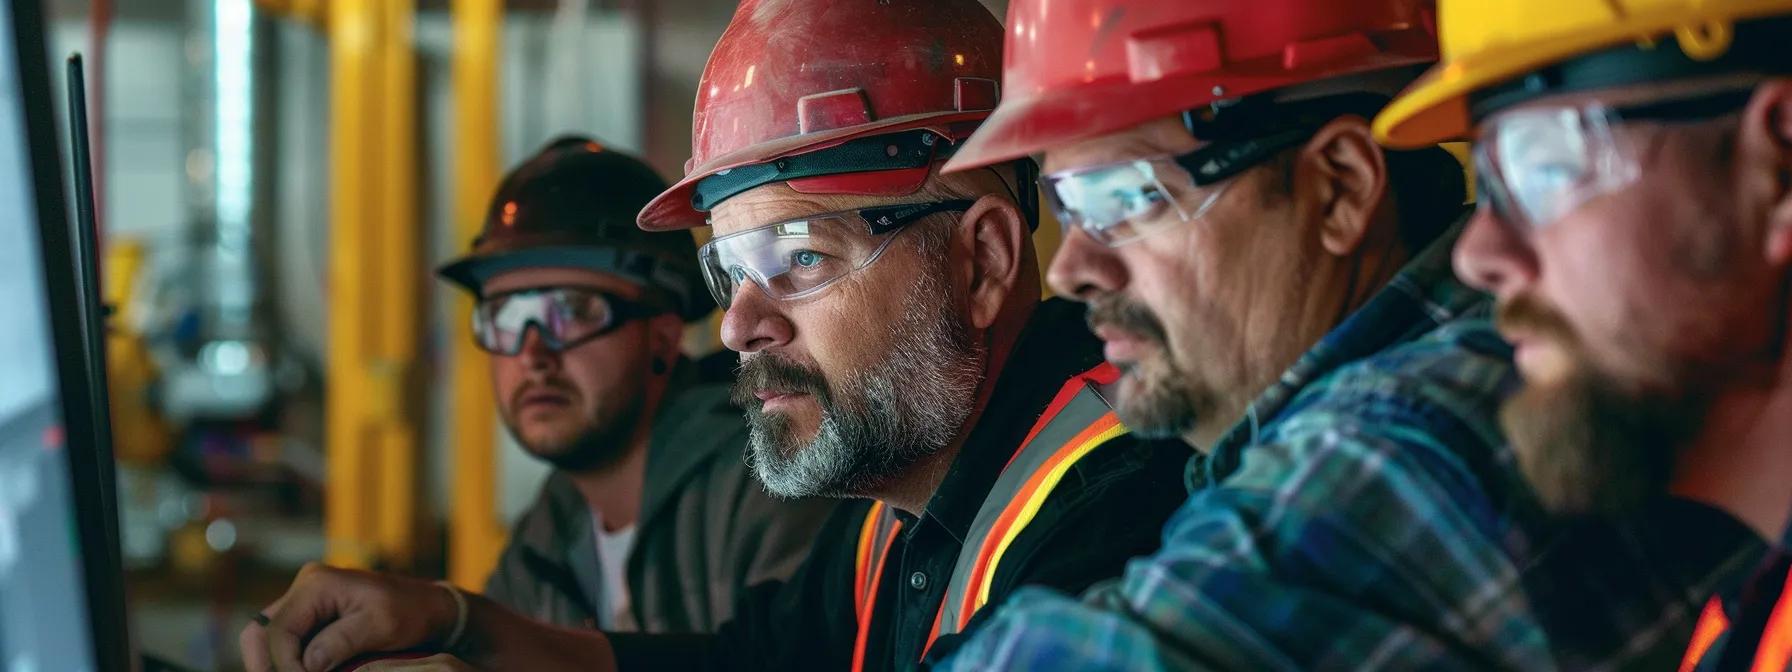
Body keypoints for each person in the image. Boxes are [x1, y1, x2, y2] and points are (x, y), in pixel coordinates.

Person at [237, 2, 1190, 671]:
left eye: (801, 258)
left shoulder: (1125, 513)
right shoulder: (902, 496)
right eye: (729, 272)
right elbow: (746, 662)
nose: (738, 325)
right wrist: (458, 625)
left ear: (980, 262)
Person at [929, 0, 1761, 669]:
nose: (1072, 267)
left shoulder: (1446, 430)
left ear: (1339, 190)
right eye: (1068, 208)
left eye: (1122, 199)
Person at [1371, 0, 1792, 668]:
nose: (1477, 252)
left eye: (1546, 166)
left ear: (1780, 167)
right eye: (1487, 181)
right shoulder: (1749, 624)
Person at [432, 136, 837, 635]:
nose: (533, 355)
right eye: (505, 317)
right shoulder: (549, 531)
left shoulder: (767, 479)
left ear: (663, 337)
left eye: (574, 312)